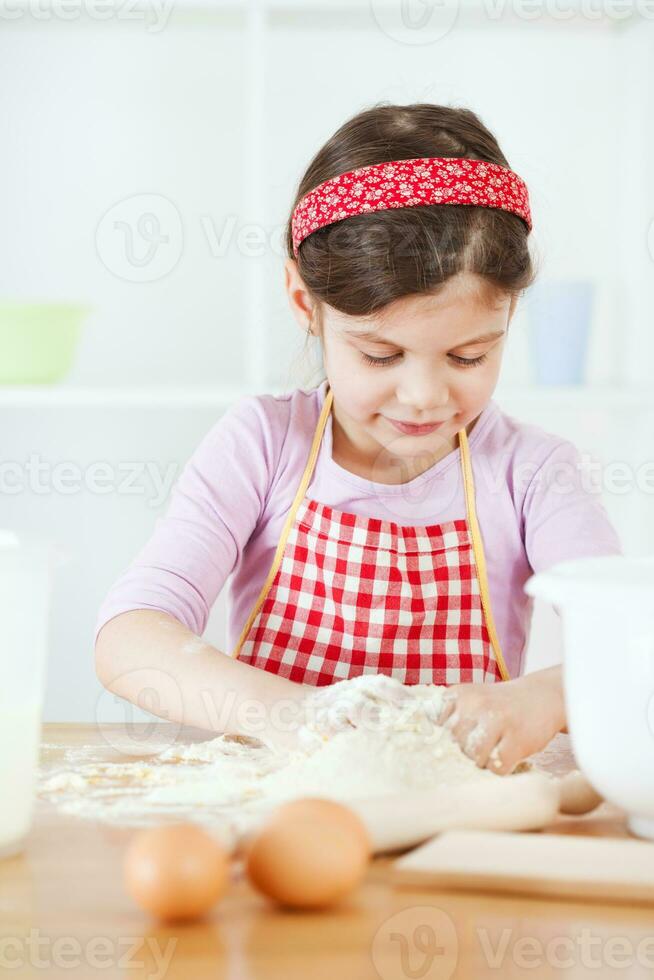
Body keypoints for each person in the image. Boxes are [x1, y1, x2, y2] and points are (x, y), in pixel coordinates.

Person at [94, 103, 622, 775]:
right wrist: (290, 715)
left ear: (508, 314)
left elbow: (631, 638)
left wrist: (545, 698)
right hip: (279, 807)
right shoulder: (262, 445)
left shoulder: (531, 473)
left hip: (456, 820)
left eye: (467, 357)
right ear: (301, 302)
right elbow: (129, 636)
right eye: (381, 356)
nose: (425, 395)